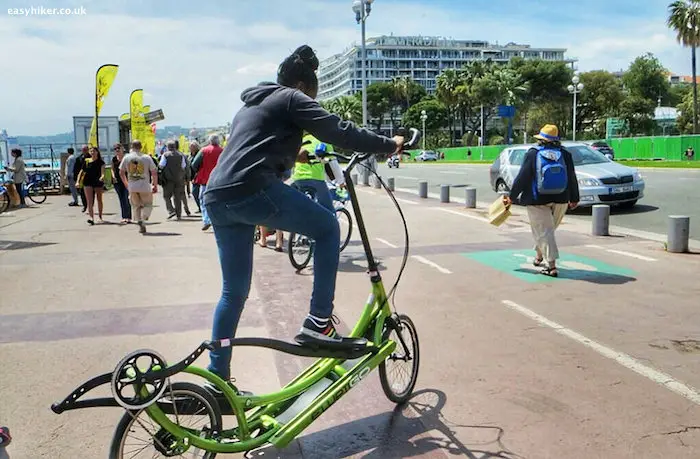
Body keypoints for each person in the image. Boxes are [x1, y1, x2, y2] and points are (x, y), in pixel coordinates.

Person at [202, 44, 403, 385]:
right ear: (305, 85)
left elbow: (253, 146)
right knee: (327, 228)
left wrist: (296, 159)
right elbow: (339, 130)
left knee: (233, 293)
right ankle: (319, 322)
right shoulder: (293, 98)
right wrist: (389, 143)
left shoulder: (251, 104)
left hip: (218, 197)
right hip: (252, 188)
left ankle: (216, 379)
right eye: (316, 92)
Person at [503, 124, 579, 278]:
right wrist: (574, 197)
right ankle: (539, 256)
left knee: (544, 232)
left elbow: (522, 177)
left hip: (536, 199)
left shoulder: (533, 153)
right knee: (547, 232)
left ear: (541, 140)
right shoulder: (565, 154)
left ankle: (551, 266)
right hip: (561, 198)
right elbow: (571, 176)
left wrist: (512, 196)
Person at [120, 139, 158, 234]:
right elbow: (154, 172)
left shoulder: (127, 157)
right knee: (148, 204)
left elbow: (121, 172)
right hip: (144, 186)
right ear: (141, 147)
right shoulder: (146, 158)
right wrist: (154, 184)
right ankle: (143, 218)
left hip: (132, 186)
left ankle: (139, 221)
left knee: (136, 206)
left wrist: (126, 184)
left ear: (131, 147)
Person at [193, 134, 224, 231]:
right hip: (219, 180)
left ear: (209, 141)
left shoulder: (204, 150)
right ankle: (217, 220)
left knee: (203, 200)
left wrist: (199, 170)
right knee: (218, 201)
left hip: (205, 179)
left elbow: (194, 164)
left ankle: (207, 220)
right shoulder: (223, 151)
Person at [159, 140, 188, 220]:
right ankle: (178, 215)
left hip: (168, 179)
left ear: (168, 147)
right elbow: (183, 166)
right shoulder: (180, 155)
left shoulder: (165, 155)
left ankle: (171, 210)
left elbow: (161, 165)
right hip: (179, 179)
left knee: (166, 196)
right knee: (177, 197)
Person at [77, 146, 106, 225]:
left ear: (97, 152)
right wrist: (77, 181)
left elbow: (103, 173)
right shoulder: (86, 161)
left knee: (99, 199)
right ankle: (91, 218)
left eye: (94, 151)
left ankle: (100, 216)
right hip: (87, 181)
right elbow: (81, 172)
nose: (92, 152)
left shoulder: (101, 162)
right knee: (89, 201)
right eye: (91, 151)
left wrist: (102, 177)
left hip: (97, 182)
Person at [111, 143, 132, 224]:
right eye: (115, 148)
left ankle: (129, 217)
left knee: (127, 198)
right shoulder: (114, 159)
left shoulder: (127, 158)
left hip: (127, 180)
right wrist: (113, 177)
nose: (117, 150)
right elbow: (112, 169)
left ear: (122, 148)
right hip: (117, 181)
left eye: (118, 148)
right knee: (121, 199)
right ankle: (124, 216)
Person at [74, 146, 90, 212]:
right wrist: (76, 179)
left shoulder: (91, 157)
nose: (84, 151)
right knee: (82, 193)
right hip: (81, 178)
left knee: (90, 193)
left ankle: (90, 206)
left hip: (90, 178)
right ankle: (85, 205)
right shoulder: (78, 158)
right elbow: (76, 169)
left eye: (86, 149)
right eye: (83, 150)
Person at [188, 141, 202, 213]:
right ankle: (200, 207)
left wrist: (195, 177)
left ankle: (201, 207)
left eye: (192, 147)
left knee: (196, 192)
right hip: (192, 176)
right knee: (195, 193)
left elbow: (199, 166)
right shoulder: (190, 155)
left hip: (198, 177)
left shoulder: (199, 155)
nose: (191, 148)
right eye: (190, 147)